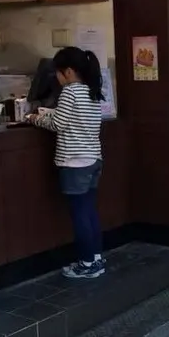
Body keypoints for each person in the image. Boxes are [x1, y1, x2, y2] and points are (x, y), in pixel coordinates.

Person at [26, 47, 105, 279]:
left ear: (68, 72)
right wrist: (47, 113)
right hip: (93, 160)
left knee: (79, 214)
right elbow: (70, 119)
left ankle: (86, 263)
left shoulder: (70, 92)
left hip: (74, 162)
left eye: (58, 74)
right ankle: (96, 258)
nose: (57, 79)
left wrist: (35, 119)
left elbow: (58, 124)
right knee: (89, 211)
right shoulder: (92, 91)